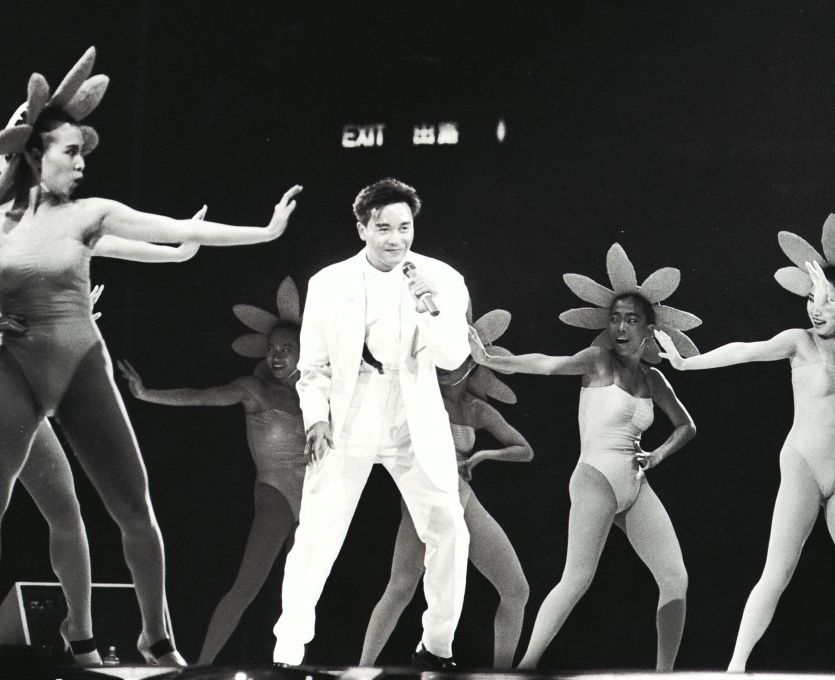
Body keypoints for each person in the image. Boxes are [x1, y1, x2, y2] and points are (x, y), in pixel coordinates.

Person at [0, 47, 301, 665]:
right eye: (71, 151)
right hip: (13, 371)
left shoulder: (92, 213)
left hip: (82, 368)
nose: (82, 163)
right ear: (37, 158)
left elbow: (176, 229)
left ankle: (153, 633)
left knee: (131, 504)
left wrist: (264, 232)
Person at [658, 223, 835, 676]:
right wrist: (687, 362)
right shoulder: (798, 341)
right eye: (808, 301)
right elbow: (745, 350)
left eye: (821, 301)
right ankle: (736, 667)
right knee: (777, 573)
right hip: (803, 462)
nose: (814, 311)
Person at [470, 243, 699, 671]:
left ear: (649, 327)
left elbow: (687, 426)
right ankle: (524, 667)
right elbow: (546, 365)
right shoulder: (596, 360)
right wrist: (491, 360)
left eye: (631, 319)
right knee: (577, 578)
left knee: (675, 578)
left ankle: (665, 674)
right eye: (614, 319)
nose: (620, 327)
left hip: (634, 482)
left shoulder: (654, 378)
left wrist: (659, 455)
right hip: (595, 477)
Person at [271, 177, 470, 669]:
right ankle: (288, 651)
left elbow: (453, 357)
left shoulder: (441, 277)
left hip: (412, 411)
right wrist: (316, 419)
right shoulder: (328, 282)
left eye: (405, 228)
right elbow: (313, 365)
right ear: (362, 228)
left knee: (449, 530)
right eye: (383, 228)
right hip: (351, 411)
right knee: (316, 537)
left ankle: (437, 645)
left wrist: (434, 307)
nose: (396, 239)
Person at [117, 277, 307, 666]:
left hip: (315, 503)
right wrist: (147, 393)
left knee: (302, 593)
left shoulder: (320, 397)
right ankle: (200, 668)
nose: (276, 357)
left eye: (286, 350)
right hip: (275, 494)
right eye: (272, 349)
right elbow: (200, 397)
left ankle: (293, 665)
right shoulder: (255, 390)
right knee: (245, 588)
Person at [360, 307, 532, 668]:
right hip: (423, 494)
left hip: (458, 495)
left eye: (454, 357)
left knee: (515, 590)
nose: (443, 364)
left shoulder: (476, 410)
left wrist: (484, 455)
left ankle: (502, 675)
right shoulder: (418, 397)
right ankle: (359, 670)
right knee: (400, 586)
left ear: (470, 364)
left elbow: (524, 450)